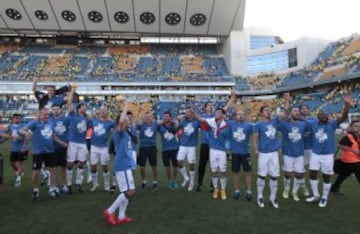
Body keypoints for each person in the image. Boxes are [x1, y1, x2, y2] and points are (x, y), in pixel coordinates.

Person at [305, 94, 351, 208]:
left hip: (328, 155)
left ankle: (324, 197)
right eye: (321, 114)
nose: (324, 116)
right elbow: (302, 119)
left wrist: (347, 103)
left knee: (326, 175)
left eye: (325, 114)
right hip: (315, 154)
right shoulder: (313, 124)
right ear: (318, 116)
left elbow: (344, 116)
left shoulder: (332, 124)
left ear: (328, 117)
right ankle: (315, 194)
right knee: (312, 173)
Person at [253, 94, 290, 208]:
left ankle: (273, 198)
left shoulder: (275, 121)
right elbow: (255, 137)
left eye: (269, 110)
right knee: (262, 176)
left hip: (274, 153)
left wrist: (286, 101)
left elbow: (286, 112)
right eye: (265, 110)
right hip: (263, 153)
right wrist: (256, 149)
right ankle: (260, 196)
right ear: (261, 113)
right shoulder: (258, 124)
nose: (268, 112)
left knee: (274, 176)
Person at [103, 103, 136, 226]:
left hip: (125, 164)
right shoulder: (119, 131)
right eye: (126, 119)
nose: (128, 121)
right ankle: (110, 211)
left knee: (126, 191)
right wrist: (126, 107)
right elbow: (121, 121)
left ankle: (121, 216)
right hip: (122, 165)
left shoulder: (126, 133)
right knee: (130, 191)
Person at [196, 92, 236, 192]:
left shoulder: (216, 117)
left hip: (214, 145)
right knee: (202, 164)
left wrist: (231, 99)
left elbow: (225, 109)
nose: (210, 106)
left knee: (213, 166)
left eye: (211, 105)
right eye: (208, 105)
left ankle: (212, 186)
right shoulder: (203, 117)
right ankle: (199, 183)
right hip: (205, 144)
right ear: (205, 108)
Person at [19, 108, 60, 201]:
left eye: (47, 115)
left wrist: (61, 142)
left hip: (50, 151)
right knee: (36, 173)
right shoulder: (34, 122)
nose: (46, 116)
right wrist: (26, 133)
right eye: (44, 115)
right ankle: (35, 189)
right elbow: (21, 130)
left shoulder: (51, 122)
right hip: (38, 152)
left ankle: (52, 188)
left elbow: (52, 135)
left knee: (53, 170)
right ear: (40, 115)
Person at [198, 108, 231, 200]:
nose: (216, 113)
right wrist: (195, 114)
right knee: (213, 171)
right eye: (216, 112)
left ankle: (223, 189)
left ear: (223, 115)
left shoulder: (227, 125)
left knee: (223, 171)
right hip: (212, 150)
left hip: (222, 151)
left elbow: (229, 139)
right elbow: (201, 120)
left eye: (218, 112)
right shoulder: (212, 122)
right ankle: (216, 189)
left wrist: (228, 151)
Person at [279, 107, 307, 202]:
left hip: (299, 153)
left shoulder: (303, 124)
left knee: (299, 174)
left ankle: (294, 192)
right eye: (295, 111)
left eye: (298, 111)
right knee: (288, 174)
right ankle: (286, 189)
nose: (297, 112)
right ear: (290, 113)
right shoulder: (284, 124)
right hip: (287, 153)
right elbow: (278, 120)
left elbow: (314, 125)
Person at [65, 85, 90, 193]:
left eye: (85, 108)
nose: (85, 109)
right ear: (79, 109)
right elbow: (69, 103)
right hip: (73, 142)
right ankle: (69, 184)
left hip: (82, 142)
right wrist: (72, 92)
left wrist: (88, 116)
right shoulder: (73, 115)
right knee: (70, 163)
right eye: (83, 107)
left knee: (81, 163)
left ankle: (78, 182)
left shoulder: (86, 118)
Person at [228, 110, 254, 201]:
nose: (240, 116)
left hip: (245, 153)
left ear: (245, 116)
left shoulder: (249, 126)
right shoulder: (231, 124)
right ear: (235, 116)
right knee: (235, 172)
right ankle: (237, 190)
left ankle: (249, 191)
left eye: (242, 114)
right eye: (239, 114)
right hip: (235, 153)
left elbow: (257, 131)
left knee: (248, 172)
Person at [330, 120, 360, 194]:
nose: (358, 128)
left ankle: (334, 188)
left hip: (348, 161)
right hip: (352, 162)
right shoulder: (348, 137)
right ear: (351, 127)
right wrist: (354, 151)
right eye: (356, 126)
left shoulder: (358, 136)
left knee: (342, 176)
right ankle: (334, 188)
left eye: (359, 126)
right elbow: (339, 145)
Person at [89, 109, 114, 192]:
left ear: (107, 113)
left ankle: (106, 185)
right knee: (93, 166)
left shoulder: (110, 123)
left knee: (104, 166)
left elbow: (117, 126)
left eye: (105, 111)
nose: (103, 112)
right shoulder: (94, 121)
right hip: (94, 146)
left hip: (104, 147)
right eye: (102, 111)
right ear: (99, 113)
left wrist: (111, 120)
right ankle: (95, 184)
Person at [177, 108, 201, 191]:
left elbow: (201, 121)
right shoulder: (184, 121)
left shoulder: (196, 122)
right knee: (179, 162)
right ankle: (186, 177)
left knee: (191, 164)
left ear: (193, 113)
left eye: (190, 112)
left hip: (192, 146)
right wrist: (185, 114)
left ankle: (192, 182)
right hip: (183, 145)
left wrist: (194, 113)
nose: (188, 113)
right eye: (187, 112)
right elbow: (178, 118)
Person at [136, 110, 159, 189]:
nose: (147, 118)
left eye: (149, 116)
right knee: (142, 166)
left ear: (151, 117)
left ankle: (155, 181)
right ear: (144, 118)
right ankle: (143, 181)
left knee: (154, 166)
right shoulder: (141, 124)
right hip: (143, 147)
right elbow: (136, 122)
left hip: (152, 147)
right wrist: (138, 112)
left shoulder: (155, 124)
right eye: (146, 117)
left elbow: (164, 122)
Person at [51, 105, 70, 193]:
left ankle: (64, 184)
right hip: (52, 147)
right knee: (53, 168)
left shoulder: (66, 119)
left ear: (60, 110)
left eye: (57, 109)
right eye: (54, 109)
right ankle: (53, 186)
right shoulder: (49, 120)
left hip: (64, 147)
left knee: (64, 167)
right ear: (52, 110)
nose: (56, 111)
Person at [158, 111, 179, 189]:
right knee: (167, 167)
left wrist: (174, 121)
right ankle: (170, 181)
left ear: (170, 117)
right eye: (165, 116)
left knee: (175, 166)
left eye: (167, 116)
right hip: (165, 149)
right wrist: (163, 122)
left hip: (174, 148)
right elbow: (155, 125)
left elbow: (178, 124)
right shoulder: (161, 126)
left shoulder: (174, 124)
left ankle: (175, 181)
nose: (166, 117)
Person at [299, 104, 316, 196]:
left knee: (314, 169)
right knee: (300, 169)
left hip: (313, 148)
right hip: (301, 148)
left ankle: (314, 189)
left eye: (306, 108)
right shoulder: (296, 121)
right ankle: (303, 185)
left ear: (309, 110)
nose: (304, 110)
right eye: (302, 109)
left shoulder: (314, 120)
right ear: (299, 111)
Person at [8, 114, 29, 187]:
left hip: (22, 148)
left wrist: (24, 147)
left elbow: (27, 136)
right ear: (13, 119)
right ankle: (18, 172)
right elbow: (8, 134)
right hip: (13, 148)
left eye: (19, 118)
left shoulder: (23, 126)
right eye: (17, 118)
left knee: (20, 164)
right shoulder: (10, 126)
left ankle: (18, 179)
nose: (18, 120)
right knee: (12, 163)